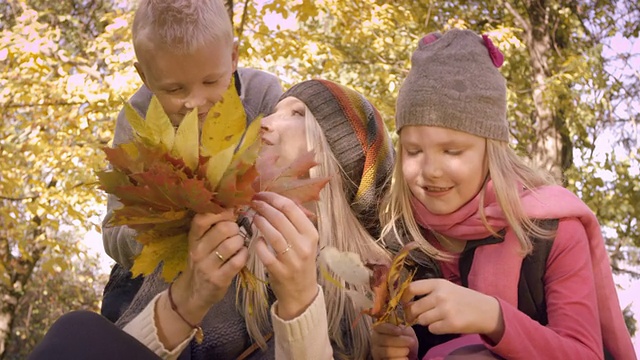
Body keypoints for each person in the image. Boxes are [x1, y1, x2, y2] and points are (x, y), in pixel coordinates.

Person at [371, 29, 635, 359]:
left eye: (452, 151)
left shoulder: (551, 228)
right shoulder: (399, 238)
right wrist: (403, 349)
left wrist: (494, 317)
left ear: (491, 149)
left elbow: (585, 353)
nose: (431, 170)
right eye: (413, 151)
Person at [109, 79, 395, 359]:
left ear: (338, 161)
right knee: (75, 329)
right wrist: (184, 305)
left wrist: (300, 307)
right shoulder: (208, 234)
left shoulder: (374, 294)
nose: (264, 122)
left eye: (297, 113)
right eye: (275, 110)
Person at [100, 0, 283, 323]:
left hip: (250, 270)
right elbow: (114, 232)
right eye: (174, 88)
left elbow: (288, 182)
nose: (196, 101)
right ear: (144, 76)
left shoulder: (264, 96)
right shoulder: (136, 121)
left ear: (233, 57)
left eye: (211, 82)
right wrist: (166, 228)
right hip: (156, 283)